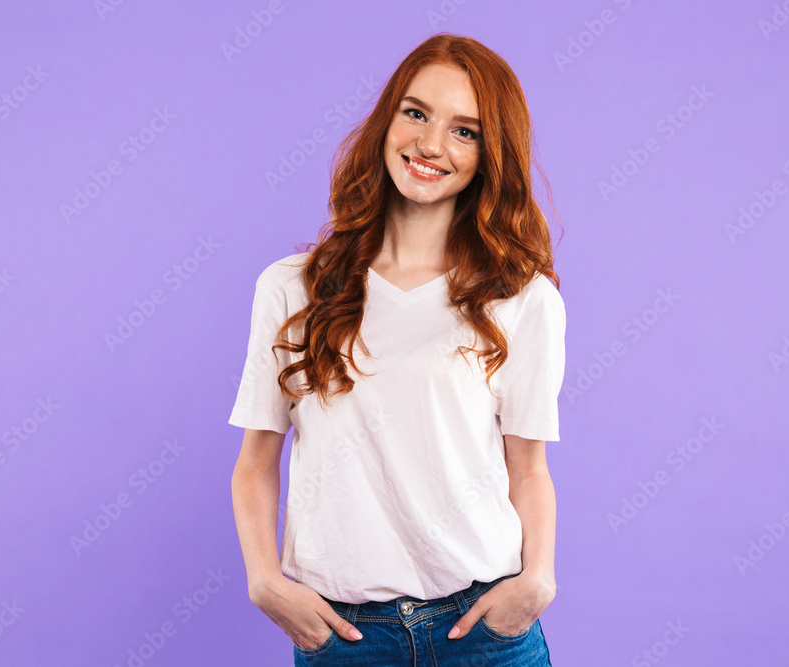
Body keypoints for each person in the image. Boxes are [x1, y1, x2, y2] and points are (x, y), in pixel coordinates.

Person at [229, 33, 565, 666]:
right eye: (416, 113)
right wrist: (264, 582)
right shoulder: (292, 288)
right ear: (387, 120)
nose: (432, 144)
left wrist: (537, 580)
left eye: (465, 131)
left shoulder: (522, 299)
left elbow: (529, 468)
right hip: (345, 638)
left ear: (491, 155)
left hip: (484, 632)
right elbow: (254, 462)